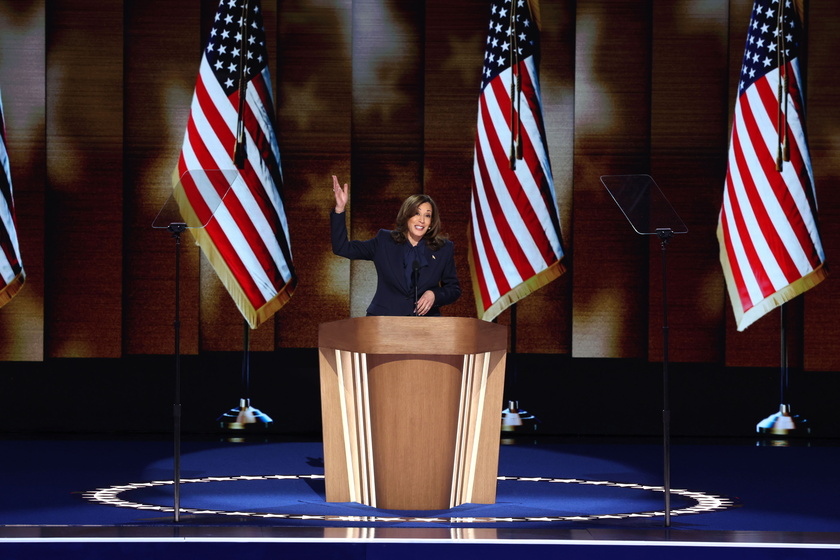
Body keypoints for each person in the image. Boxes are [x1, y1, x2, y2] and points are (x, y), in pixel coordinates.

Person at [330, 175, 461, 316]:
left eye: (427, 215)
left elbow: (453, 289)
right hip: (383, 322)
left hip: (424, 327)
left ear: (431, 222)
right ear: (407, 216)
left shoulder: (443, 249)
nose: (422, 220)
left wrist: (434, 294)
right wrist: (339, 209)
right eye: (416, 213)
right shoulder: (384, 241)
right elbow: (342, 248)